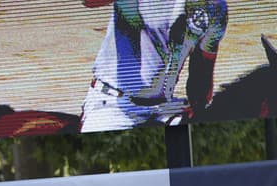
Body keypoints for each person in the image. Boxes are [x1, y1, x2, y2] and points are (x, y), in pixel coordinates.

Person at [80, 0, 228, 132]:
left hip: (163, 108)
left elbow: (202, 73)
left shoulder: (215, 7)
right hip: (113, 104)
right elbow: (89, 2)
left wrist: (197, 110)